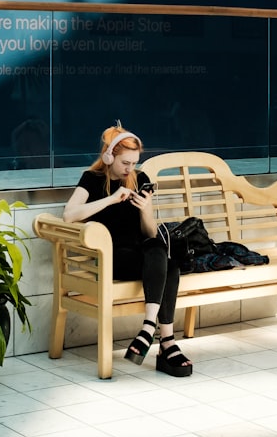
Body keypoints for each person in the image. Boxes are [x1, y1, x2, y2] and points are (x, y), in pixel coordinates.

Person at [62, 124, 192, 377]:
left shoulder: (139, 179)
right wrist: (111, 199)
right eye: (125, 162)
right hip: (111, 257)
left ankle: (147, 330)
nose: (129, 169)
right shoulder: (92, 180)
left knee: (164, 255)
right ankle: (166, 343)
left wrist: (145, 209)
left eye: (134, 162)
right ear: (109, 157)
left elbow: (150, 233)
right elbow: (69, 215)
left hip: (140, 253)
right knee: (168, 265)